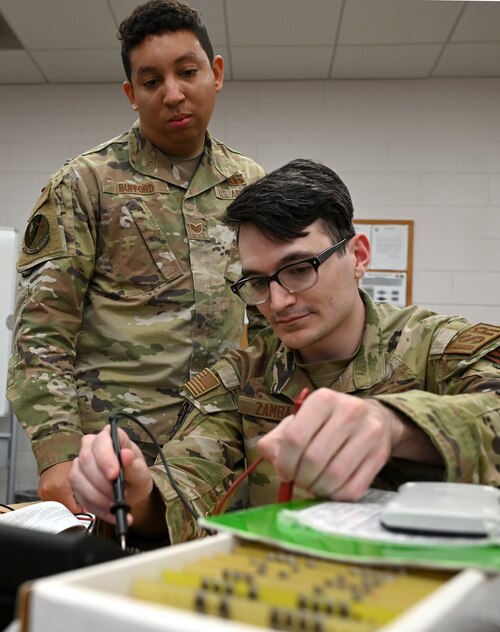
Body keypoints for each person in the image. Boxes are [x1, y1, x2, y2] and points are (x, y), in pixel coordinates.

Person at [70, 158, 500, 547]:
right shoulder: (241, 377)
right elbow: (189, 479)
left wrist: (396, 425)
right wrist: (137, 494)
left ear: (359, 256)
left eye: (298, 269)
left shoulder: (436, 349)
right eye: (258, 282)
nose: (277, 302)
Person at [7, 0, 265, 512]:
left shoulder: (250, 185)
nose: (173, 94)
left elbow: (267, 321)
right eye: (151, 81)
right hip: (113, 454)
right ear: (131, 93)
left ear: (215, 74)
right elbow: (42, 329)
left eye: (187, 72)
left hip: (217, 451)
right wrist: (57, 455)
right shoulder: (86, 182)